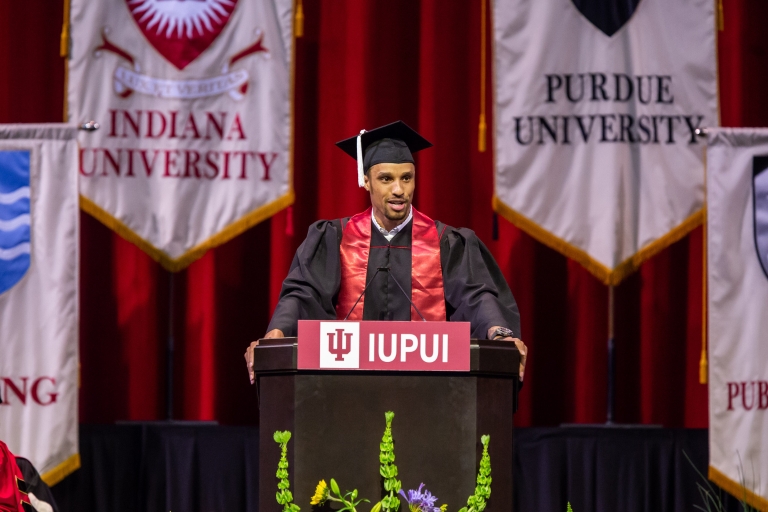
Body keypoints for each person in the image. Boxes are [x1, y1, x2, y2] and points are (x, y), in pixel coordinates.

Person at [244, 121, 527, 382]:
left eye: (406, 178)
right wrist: (275, 335)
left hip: (428, 385)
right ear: (366, 181)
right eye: (386, 179)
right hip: (347, 385)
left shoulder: (445, 241)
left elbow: (476, 295)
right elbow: (302, 293)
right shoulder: (335, 238)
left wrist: (499, 333)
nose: (398, 190)